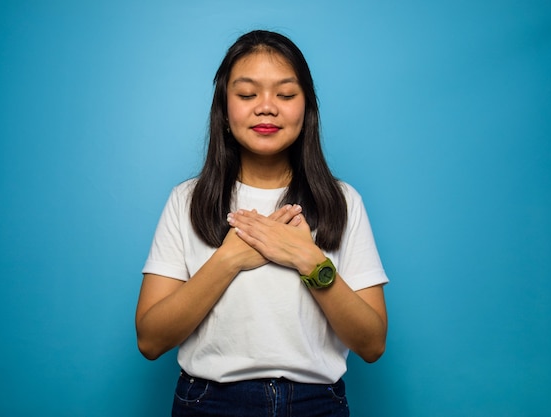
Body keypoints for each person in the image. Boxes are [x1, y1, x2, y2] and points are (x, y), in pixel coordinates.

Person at [135, 29, 388, 417]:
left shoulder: (343, 201)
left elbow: (372, 344)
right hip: (209, 402)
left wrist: (309, 261)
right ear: (224, 109)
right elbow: (150, 340)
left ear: (307, 109)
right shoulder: (187, 200)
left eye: (285, 94)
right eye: (247, 94)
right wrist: (229, 259)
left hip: (316, 404)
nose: (266, 107)